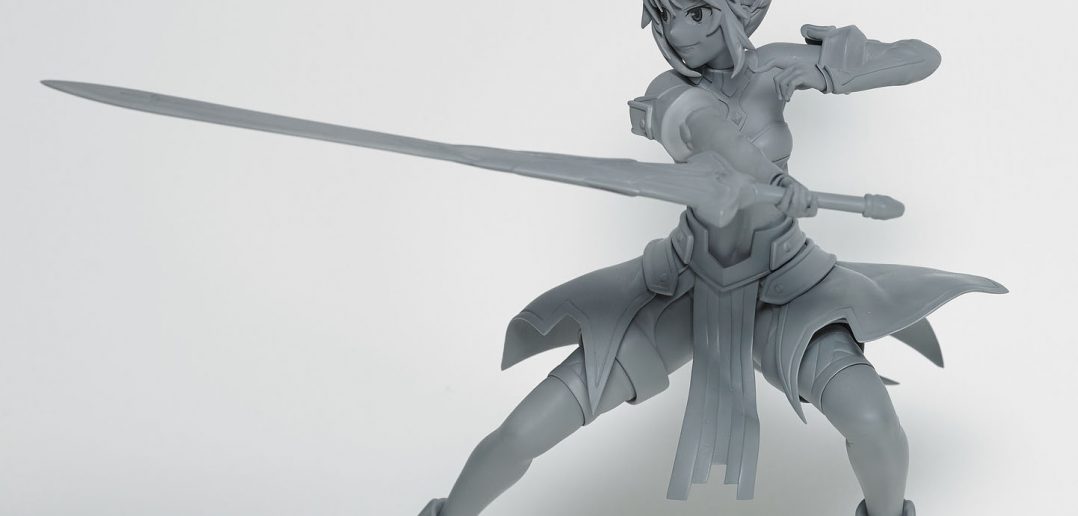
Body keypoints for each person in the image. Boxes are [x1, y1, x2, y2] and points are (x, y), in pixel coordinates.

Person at [410, 1, 1005, 515]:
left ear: (731, 10)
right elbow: (713, 134)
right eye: (665, 15)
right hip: (684, 292)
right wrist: (772, 177)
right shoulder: (669, 92)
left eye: (695, 12)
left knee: (874, 423)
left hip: (786, 290)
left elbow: (923, 59)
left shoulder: (774, 67)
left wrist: (836, 56)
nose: (678, 32)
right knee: (522, 432)